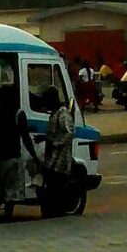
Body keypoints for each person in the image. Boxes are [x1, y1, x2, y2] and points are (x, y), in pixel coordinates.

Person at [0, 83, 34, 222]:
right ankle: (7, 218)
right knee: (10, 193)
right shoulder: (19, 113)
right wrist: (34, 155)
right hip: (12, 159)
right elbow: (25, 137)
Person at [40, 86, 75, 215]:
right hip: (51, 160)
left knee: (56, 189)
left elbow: (68, 134)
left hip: (59, 161)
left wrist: (55, 143)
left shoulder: (63, 114)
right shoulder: (54, 114)